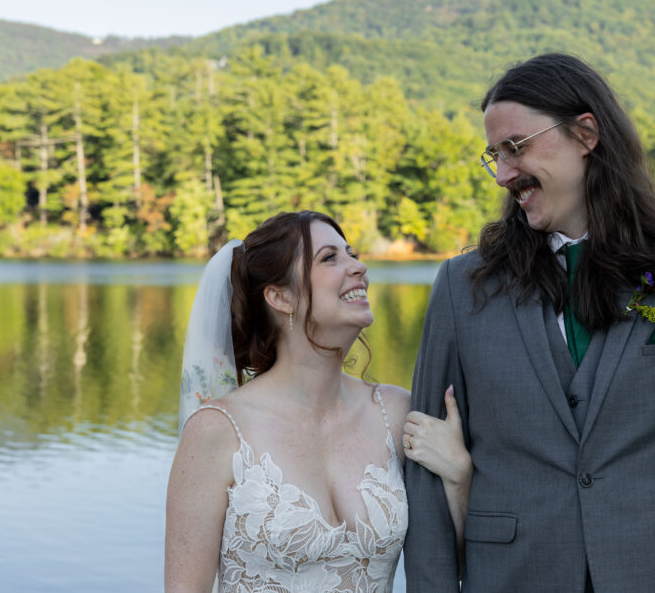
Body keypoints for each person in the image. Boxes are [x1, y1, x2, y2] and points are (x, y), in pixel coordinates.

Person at [403, 53, 655, 592]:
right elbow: (425, 475)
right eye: (493, 155)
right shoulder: (462, 287)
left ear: (586, 134)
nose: (504, 174)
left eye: (515, 147)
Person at [165, 210, 470, 593]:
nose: (358, 267)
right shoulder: (217, 431)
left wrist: (459, 476)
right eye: (330, 258)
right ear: (281, 297)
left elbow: (453, 564)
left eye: (352, 254)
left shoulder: (395, 413)